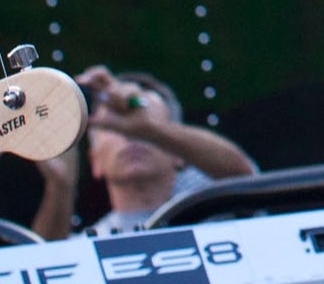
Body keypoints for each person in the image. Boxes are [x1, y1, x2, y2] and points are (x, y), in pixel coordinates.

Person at [30, 66, 256, 239]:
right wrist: (60, 187)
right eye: (114, 128)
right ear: (95, 162)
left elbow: (246, 178)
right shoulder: (90, 243)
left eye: (138, 125)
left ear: (179, 154)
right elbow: (41, 271)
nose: (130, 136)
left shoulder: (214, 207)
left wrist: (153, 130)